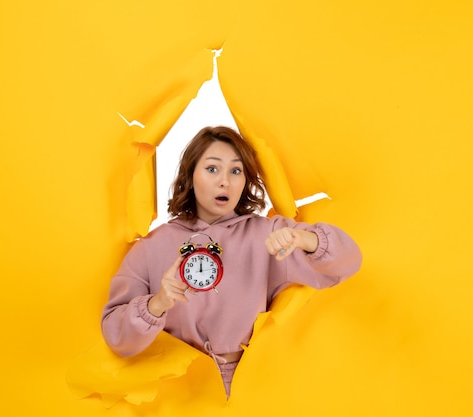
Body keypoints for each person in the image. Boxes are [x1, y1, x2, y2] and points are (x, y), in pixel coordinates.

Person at [101, 126, 362, 398]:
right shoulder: (152, 246)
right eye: (212, 169)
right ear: (190, 175)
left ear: (246, 180)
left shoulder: (269, 235)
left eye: (235, 171)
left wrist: (304, 239)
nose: (225, 181)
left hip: (255, 384)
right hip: (178, 391)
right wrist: (157, 304)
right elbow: (116, 336)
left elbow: (348, 263)